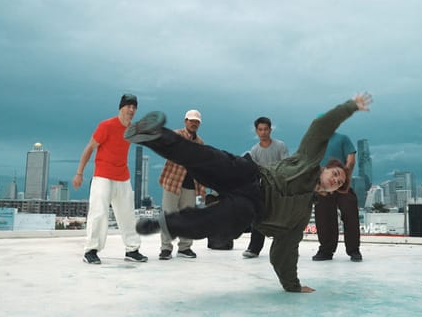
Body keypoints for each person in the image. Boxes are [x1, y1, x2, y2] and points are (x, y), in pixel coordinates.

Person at [128, 93, 372, 293]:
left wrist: (292, 285)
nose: (336, 180)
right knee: (204, 157)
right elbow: (321, 126)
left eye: (339, 183)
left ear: (331, 192)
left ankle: (165, 224)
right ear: (327, 169)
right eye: (336, 174)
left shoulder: (301, 216)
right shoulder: (308, 161)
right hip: (251, 175)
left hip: (253, 206)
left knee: (218, 222)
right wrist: (350, 106)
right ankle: (152, 134)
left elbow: (284, 252)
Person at [72, 93, 148, 264]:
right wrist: (79, 173)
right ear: (121, 107)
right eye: (128, 106)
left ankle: (132, 250)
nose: (132, 109)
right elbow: (90, 148)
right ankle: (91, 251)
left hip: (123, 177)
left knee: (128, 215)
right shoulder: (106, 126)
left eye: (134, 107)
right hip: (103, 176)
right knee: (99, 213)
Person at [157, 109, 206, 260]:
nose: (194, 123)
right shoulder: (176, 135)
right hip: (173, 181)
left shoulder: (200, 143)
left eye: (196, 122)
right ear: (185, 121)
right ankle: (166, 248)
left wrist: (202, 190)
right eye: (191, 120)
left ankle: (185, 248)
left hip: (191, 185)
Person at [242, 116, 289, 259]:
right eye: (260, 130)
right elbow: (254, 171)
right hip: (263, 188)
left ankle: (283, 248)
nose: (263, 132)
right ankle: (254, 248)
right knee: (258, 217)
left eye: (266, 129)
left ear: (270, 129)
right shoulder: (254, 150)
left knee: (281, 219)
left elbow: (286, 166)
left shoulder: (280, 146)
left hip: (279, 187)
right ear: (256, 131)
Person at [312, 133, 362, 262]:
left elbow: (351, 161)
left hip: (339, 183)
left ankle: (351, 250)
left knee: (349, 214)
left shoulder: (342, 138)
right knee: (323, 217)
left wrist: (344, 182)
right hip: (324, 185)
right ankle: (329, 250)